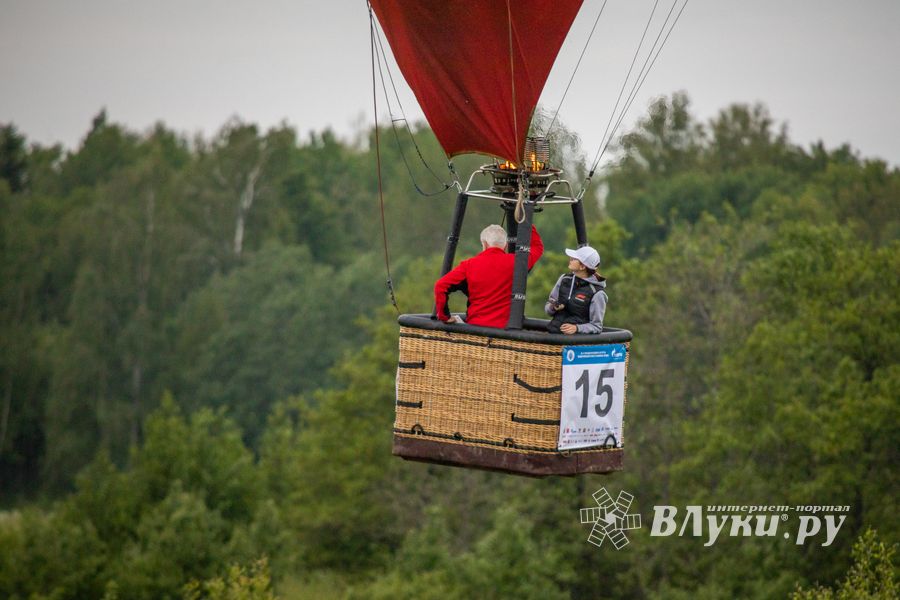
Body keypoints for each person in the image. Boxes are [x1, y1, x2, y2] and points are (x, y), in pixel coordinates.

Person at [434, 223, 543, 328]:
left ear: (485, 244)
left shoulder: (468, 265)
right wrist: (525, 219)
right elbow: (537, 247)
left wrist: (445, 316)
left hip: (475, 331)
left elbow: (441, 286)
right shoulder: (517, 262)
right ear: (505, 245)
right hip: (505, 333)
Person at [545, 245, 607, 334]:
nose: (570, 259)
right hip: (552, 338)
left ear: (582, 267)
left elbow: (596, 327)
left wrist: (577, 328)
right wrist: (553, 307)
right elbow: (548, 307)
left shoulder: (598, 293)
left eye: (574, 258)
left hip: (574, 345)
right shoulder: (564, 279)